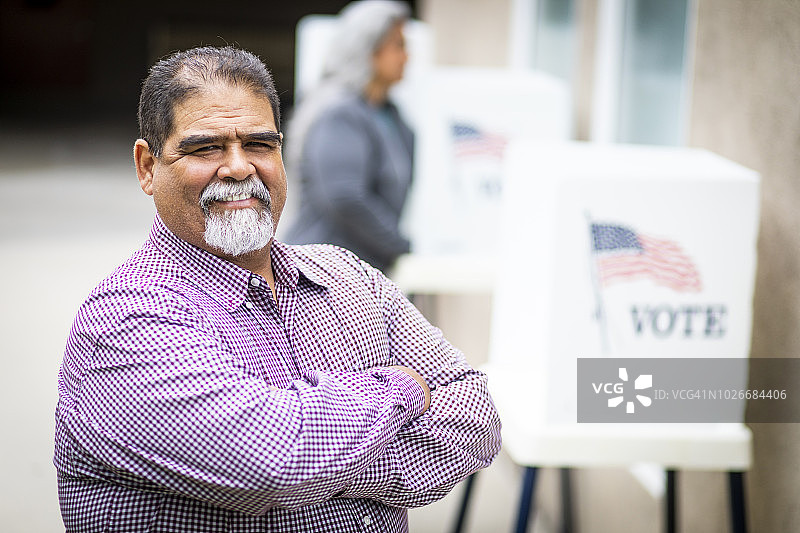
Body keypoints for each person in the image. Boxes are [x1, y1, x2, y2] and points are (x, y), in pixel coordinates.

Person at [54, 46, 501, 532]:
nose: (240, 167)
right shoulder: (124, 318)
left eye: (260, 144)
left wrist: (318, 457)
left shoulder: (348, 276)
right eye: (206, 148)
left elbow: (476, 414)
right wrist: (400, 389)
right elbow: (269, 463)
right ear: (147, 166)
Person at [284, 1, 415, 272]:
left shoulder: (395, 117)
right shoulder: (339, 113)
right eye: (398, 45)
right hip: (322, 273)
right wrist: (400, 245)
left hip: (362, 271)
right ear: (369, 49)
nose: (407, 57)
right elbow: (343, 196)